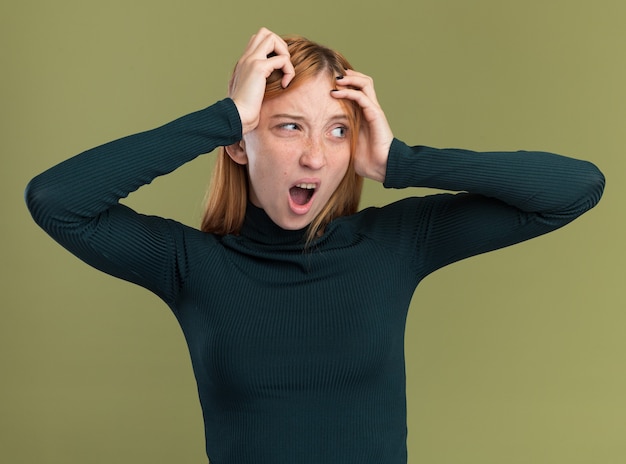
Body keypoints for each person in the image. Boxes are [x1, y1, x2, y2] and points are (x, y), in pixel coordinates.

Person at [25, 27, 605, 464]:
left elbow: (574, 188)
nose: (315, 156)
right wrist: (226, 116)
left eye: (337, 129)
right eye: (288, 126)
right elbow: (57, 199)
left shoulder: (396, 243)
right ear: (238, 145)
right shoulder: (190, 264)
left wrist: (399, 162)